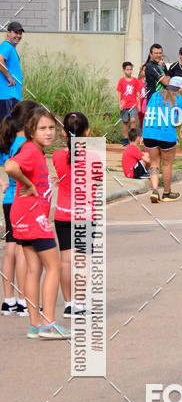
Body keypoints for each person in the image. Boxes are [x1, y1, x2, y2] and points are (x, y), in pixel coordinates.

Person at [4, 104, 71, 338]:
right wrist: (29, 184)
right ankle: (48, 323)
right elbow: (10, 166)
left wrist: (37, 183)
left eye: (52, 127)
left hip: (21, 214)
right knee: (53, 266)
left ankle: (35, 325)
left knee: (34, 269)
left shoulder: (34, 150)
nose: (49, 132)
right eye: (42, 128)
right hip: (32, 215)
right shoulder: (31, 150)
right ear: (31, 131)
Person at [52, 111, 101, 317]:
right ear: (88, 132)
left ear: (64, 133)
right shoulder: (94, 157)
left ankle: (69, 303)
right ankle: (79, 303)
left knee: (65, 260)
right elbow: (97, 181)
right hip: (85, 214)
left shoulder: (56, 156)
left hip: (62, 214)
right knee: (83, 260)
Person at [0, 100, 31, 316]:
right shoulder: (25, 145)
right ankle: (23, 300)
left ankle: (8, 299)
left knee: (10, 248)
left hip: (8, 200)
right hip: (22, 200)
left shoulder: (7, 141)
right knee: (22, 250)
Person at [142, 75, 182, 203]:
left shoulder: (155, 95)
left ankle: (155, 190)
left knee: (154, 162)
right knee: (167, 163)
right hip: (166, 135)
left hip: (149, 132)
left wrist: (143, 134)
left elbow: (147, 114)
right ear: (180, 89)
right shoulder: (179, 100)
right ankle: (167, 193)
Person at [0, 21, 24, 123]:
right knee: (5, 126)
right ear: (8, 33)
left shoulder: (11, 48)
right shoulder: (6, 46)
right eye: (16, 32)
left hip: (12, 95)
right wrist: (9, 77)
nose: (18, 36)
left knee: (9, 126)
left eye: (20, 33)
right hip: (7, 94)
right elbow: (0, 60)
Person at [116, 61, 142, 145]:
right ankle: (125, 138)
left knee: (133, 120)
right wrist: (120, 104)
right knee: (125, 122)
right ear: (124, 70)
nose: (129, 71)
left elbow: (138, 93)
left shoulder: (135, 81)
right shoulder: (121, 81)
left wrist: (139, 104)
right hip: (124, 105)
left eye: (131, 69)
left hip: (133, 104)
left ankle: (133, 138)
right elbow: (119, 93)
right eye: (127, 69)